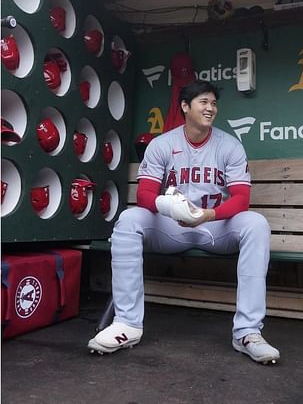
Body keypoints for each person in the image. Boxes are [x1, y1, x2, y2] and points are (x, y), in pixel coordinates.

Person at [88, 80, 279, 365]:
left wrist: (207, 215)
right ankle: (127, 324)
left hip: (214, 226)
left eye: (214, 103)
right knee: (129, 219)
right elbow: (144, 195)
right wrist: (173, 208)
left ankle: (248, 332)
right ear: (185, 107)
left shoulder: (229, 145)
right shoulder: (162, 144)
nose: (210, 108)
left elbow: (241, 199)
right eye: (203, 102)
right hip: (172, 227)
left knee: (256, 224)